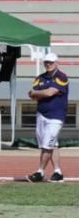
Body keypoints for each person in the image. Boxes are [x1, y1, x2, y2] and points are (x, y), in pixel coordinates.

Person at [27, 52, 69, 182]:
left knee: (47, 145)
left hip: (56, 116)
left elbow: (51, 92)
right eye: (46, 62)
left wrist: (38, 93)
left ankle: (40, 172)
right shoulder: (40, 78)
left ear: (57, 63)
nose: (48, 64)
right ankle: (58, 172)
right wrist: (38, 93)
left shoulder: (62, 76)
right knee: (52, 145)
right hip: (41, 114)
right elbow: (32, 95)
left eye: (51, 62)